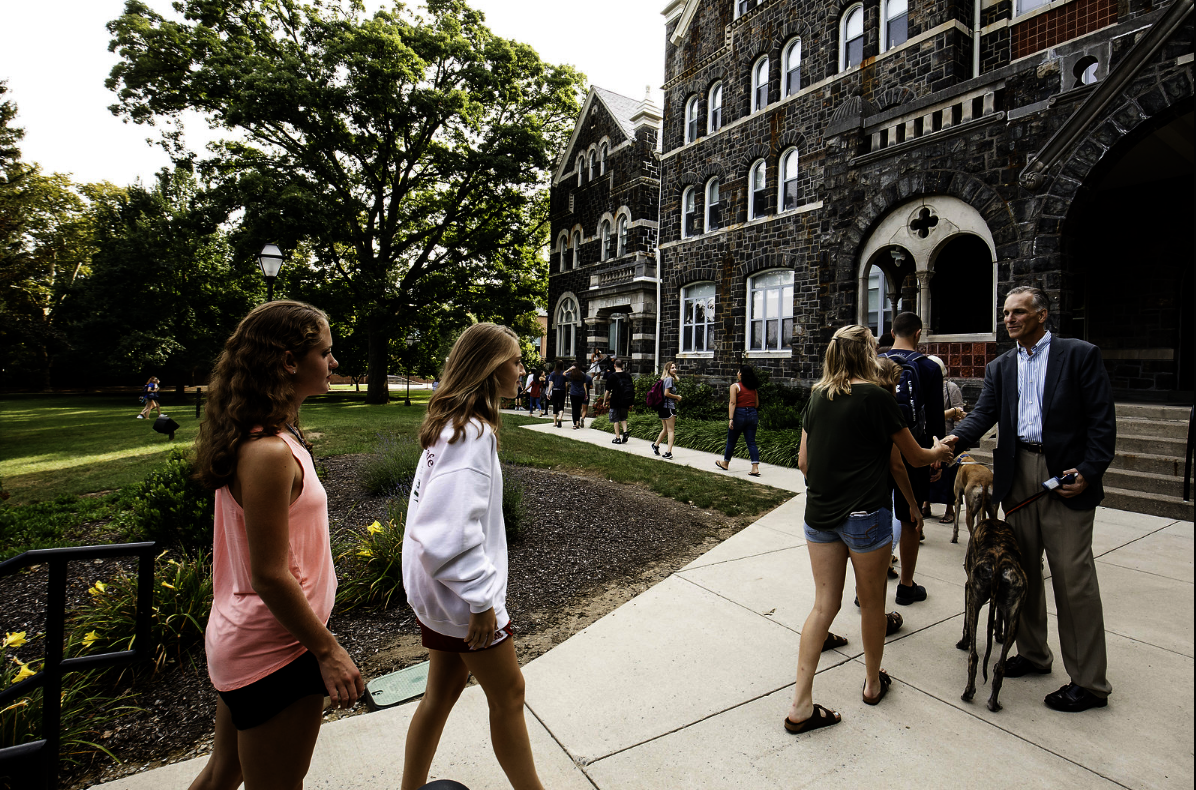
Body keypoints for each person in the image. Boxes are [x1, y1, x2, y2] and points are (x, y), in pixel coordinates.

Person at [188, 301, 363, 790]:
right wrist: (327, 651)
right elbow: (269, 572)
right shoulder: (267, 453)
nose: (333, 364)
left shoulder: (269, 436)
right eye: (325, 353)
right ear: (290, 361)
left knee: (225, 772)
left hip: (253, 640)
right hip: (278, 649)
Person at [946, 286, 1115, 713]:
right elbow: (984, 414)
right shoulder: (1001, 366)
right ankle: (1035, 654)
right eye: (1005, 313)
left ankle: (1090, 682)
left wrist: (1090, 470)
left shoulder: (1079, 354)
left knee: (1072, 578)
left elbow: (1101, 422)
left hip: (1065, 477)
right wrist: (952, 441)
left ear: (1042, 315)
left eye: (1018, 312)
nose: (1009, 319)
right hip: (1016, 474)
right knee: (1022, 572)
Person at [786, 324, 952, 734]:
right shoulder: (877, 398)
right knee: (873, 602)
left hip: (819, 516)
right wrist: (942, 450)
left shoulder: (816, 396)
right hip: (865, 517)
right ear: (866, 354)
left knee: (824, 605)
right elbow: (913, 458)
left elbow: (804, 464)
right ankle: (873, 684)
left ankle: (800, 706)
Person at [400, 323, 545, 790]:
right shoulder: (472, 433)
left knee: (440, 694)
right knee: (510, 694)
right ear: (489, 367)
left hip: (441, 595)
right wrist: (483, 601)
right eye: (517, 361)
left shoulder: (452, 424)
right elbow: (446, 533)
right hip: (464, 600)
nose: (523, 369)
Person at [879, 312, 946, 606]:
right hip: (915, 449)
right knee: (910, 516)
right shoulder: (929, 367)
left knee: (879, 515)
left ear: (893, 332)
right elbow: (934, 418)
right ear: (918, 334)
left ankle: (870, 586)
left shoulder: (877, 362)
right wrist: (936, 456)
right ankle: (906, 585)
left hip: (879, 451)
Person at [927, 355, 967, 523]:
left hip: (948, 435)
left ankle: (949, 509)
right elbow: (927, 417)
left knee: (949, 474)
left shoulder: (950, 388)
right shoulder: (923, 387)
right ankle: (925, 503)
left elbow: (960, 413)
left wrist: (958, 437)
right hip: (929, 435)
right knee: (928, 472)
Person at [715, 364, 761, 476]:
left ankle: (725, 463)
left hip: (739, 414)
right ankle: (755, 468)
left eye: (738, 372)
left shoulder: (735, 386)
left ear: (741, 374)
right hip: (752, 414)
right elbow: (756, 404)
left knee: (731, 440)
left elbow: (732, 403)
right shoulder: (753, 388)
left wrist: (731, 418)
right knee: (751, 442)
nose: (737, 373)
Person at [651, 362, 681, 460]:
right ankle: (669, 452)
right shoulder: (669, 379)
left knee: (665, 429)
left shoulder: (665, 379)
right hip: (668, 408)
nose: (674, 369)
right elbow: (666, 393)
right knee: (671, 430)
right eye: (672, 368)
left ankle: (656, 445)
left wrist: (674, 398)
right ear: (668, 369)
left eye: (675, 367)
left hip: (663, 407)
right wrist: (677, 397)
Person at [603, 358, 634, 444]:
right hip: (626, 400)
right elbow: (631, 388)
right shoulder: (628, 376)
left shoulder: (612, 377)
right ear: (623, 365)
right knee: (623, 417)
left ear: (614, 366)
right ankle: (625, 432)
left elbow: (607, 391)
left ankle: (617, 437)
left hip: (615, 400)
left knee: (615, 419)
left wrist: (604, 401)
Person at [567, 365, 592, 429]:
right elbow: (584, 385)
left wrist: (569, 369)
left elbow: (564, 374)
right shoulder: (583, 375)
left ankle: (575, 423)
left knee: (574, 409)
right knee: (578, 408)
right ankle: (577, 422)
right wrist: (586, 394)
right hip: (581, 393)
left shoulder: (572, 374)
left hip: (573, 393)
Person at [547, 361, 568, 428]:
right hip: (562, 390)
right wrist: (566, 391)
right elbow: (566, 384)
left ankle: (555, 422)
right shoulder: (564, 374)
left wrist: (548, 392)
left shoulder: (553, 373)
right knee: (561, 406)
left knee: (555, 406)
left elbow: (551, 383)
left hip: (555, 390)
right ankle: (560, 419)